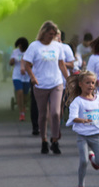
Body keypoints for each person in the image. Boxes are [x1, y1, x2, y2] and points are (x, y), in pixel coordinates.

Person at [23, 20, 70, 155]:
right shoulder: (34, 46)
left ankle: (55, 140)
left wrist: (69, 80)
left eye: (54, 34)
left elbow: (62, 64)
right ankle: (44, 140)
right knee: (42, 114)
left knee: (56, 113)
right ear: (43, 33)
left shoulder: (57, 46)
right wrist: (32, 77)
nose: (52, 37)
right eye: (50, 34)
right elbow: (27, 64)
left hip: (56, 83)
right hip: (40, 84)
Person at [9, 37, 30, 123]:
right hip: (17, 76)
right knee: (19, 92)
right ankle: (21, 112)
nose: (20, 48)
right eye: (19, 46)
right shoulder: (15, 52)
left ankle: (23, 105)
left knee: (25, 95)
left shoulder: (29, 52)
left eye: (21, 46)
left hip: (26, 77)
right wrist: (12, 60)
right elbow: (10, 63)